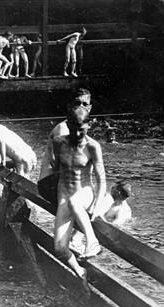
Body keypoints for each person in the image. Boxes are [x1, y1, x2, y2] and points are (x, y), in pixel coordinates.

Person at [52, 105, 105, 297]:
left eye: (81, 128)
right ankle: (80, 271)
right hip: (64, 196)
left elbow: (101, 181)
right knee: (59, 248)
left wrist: (97, 206)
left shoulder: (93, 146)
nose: (76, 132)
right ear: (68, 124)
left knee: (75, 202)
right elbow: (57, 171)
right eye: (73, 128)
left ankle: (92, 242)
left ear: (89, 125)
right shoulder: (59, 142)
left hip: (84, 192)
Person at [39, 88, 93, 184]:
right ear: (69, 107)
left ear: (90, 107)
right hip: (50, 181)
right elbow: (61, 163)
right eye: (77, 103)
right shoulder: (63, 128)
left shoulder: (79, 128)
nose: (81, 107)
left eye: (85, 104)